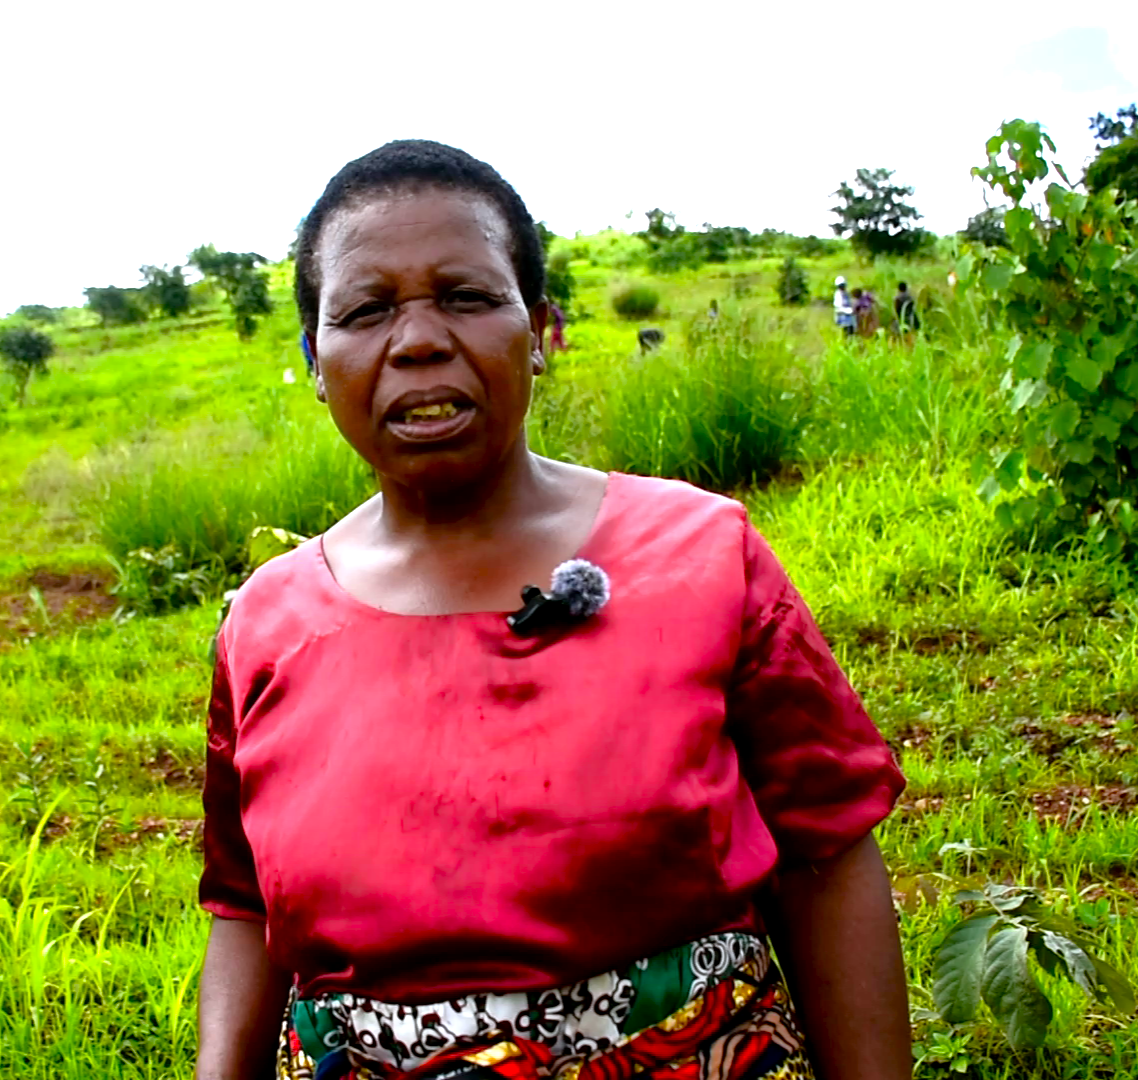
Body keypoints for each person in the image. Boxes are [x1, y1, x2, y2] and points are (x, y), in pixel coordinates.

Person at [197, 140, 912, 1080]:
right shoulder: (267, 622)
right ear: (317, 361)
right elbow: (245, 912)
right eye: (366, 310)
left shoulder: (700, 551)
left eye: (466, 296)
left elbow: (827, 858)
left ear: (537, 329)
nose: (417, 340)